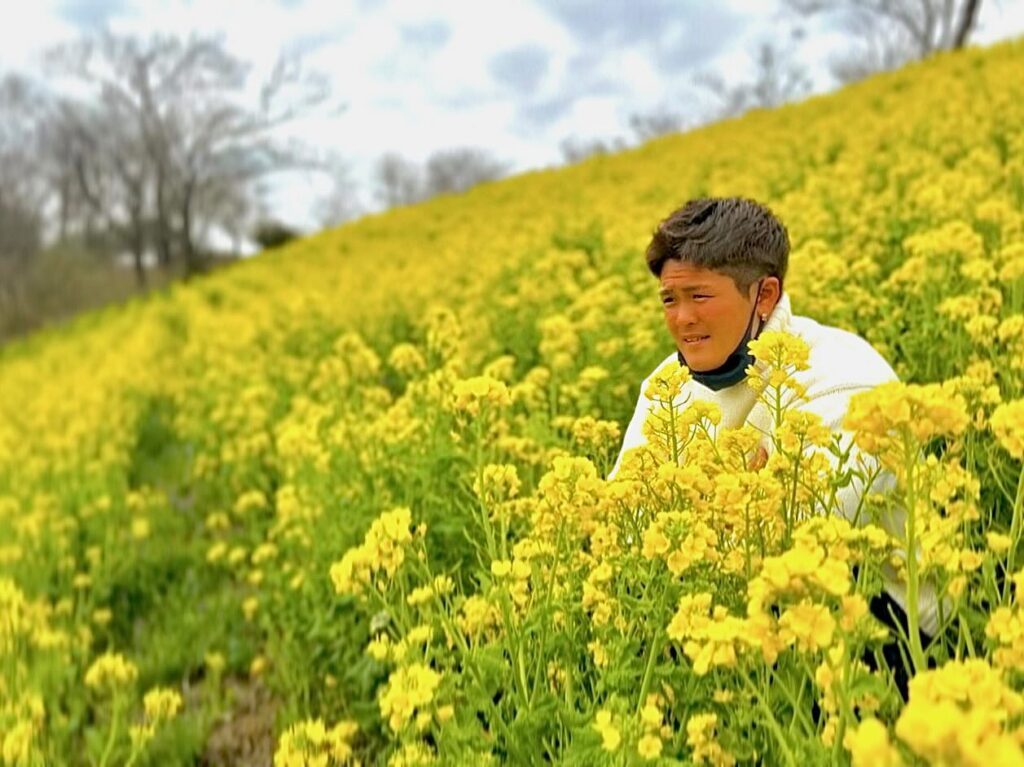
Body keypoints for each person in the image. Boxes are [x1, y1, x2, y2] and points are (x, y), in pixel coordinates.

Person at [608, 197, 939, 692]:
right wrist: (739, 489)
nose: (681, 320)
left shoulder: (844, 377)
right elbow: (617, 526)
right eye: (668, 300)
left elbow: (800, 540)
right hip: (727, 600)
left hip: (889, 624)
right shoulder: (665, 388)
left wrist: (690, 499)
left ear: (764, 295)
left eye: (700, 297)